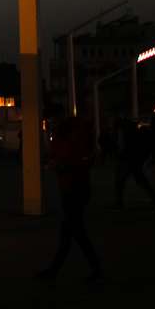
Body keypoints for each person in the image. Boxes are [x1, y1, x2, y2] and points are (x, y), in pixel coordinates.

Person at [37, 115, 102, 281]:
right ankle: (56, 270)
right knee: (71, 232)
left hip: (71, 189)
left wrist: (58, 165)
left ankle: (93, 269)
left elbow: (67, 161)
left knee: (74, 233)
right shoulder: (79, 138)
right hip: (78, 188)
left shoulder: (67, 140)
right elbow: (84, 160)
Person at [113, 116, 155, 209]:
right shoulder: (133, 132)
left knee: (121, 181)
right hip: (133, 160)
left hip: (128, 160)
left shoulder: (126, 133)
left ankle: (119, 202)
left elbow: (124, 147)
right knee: (140, 180)